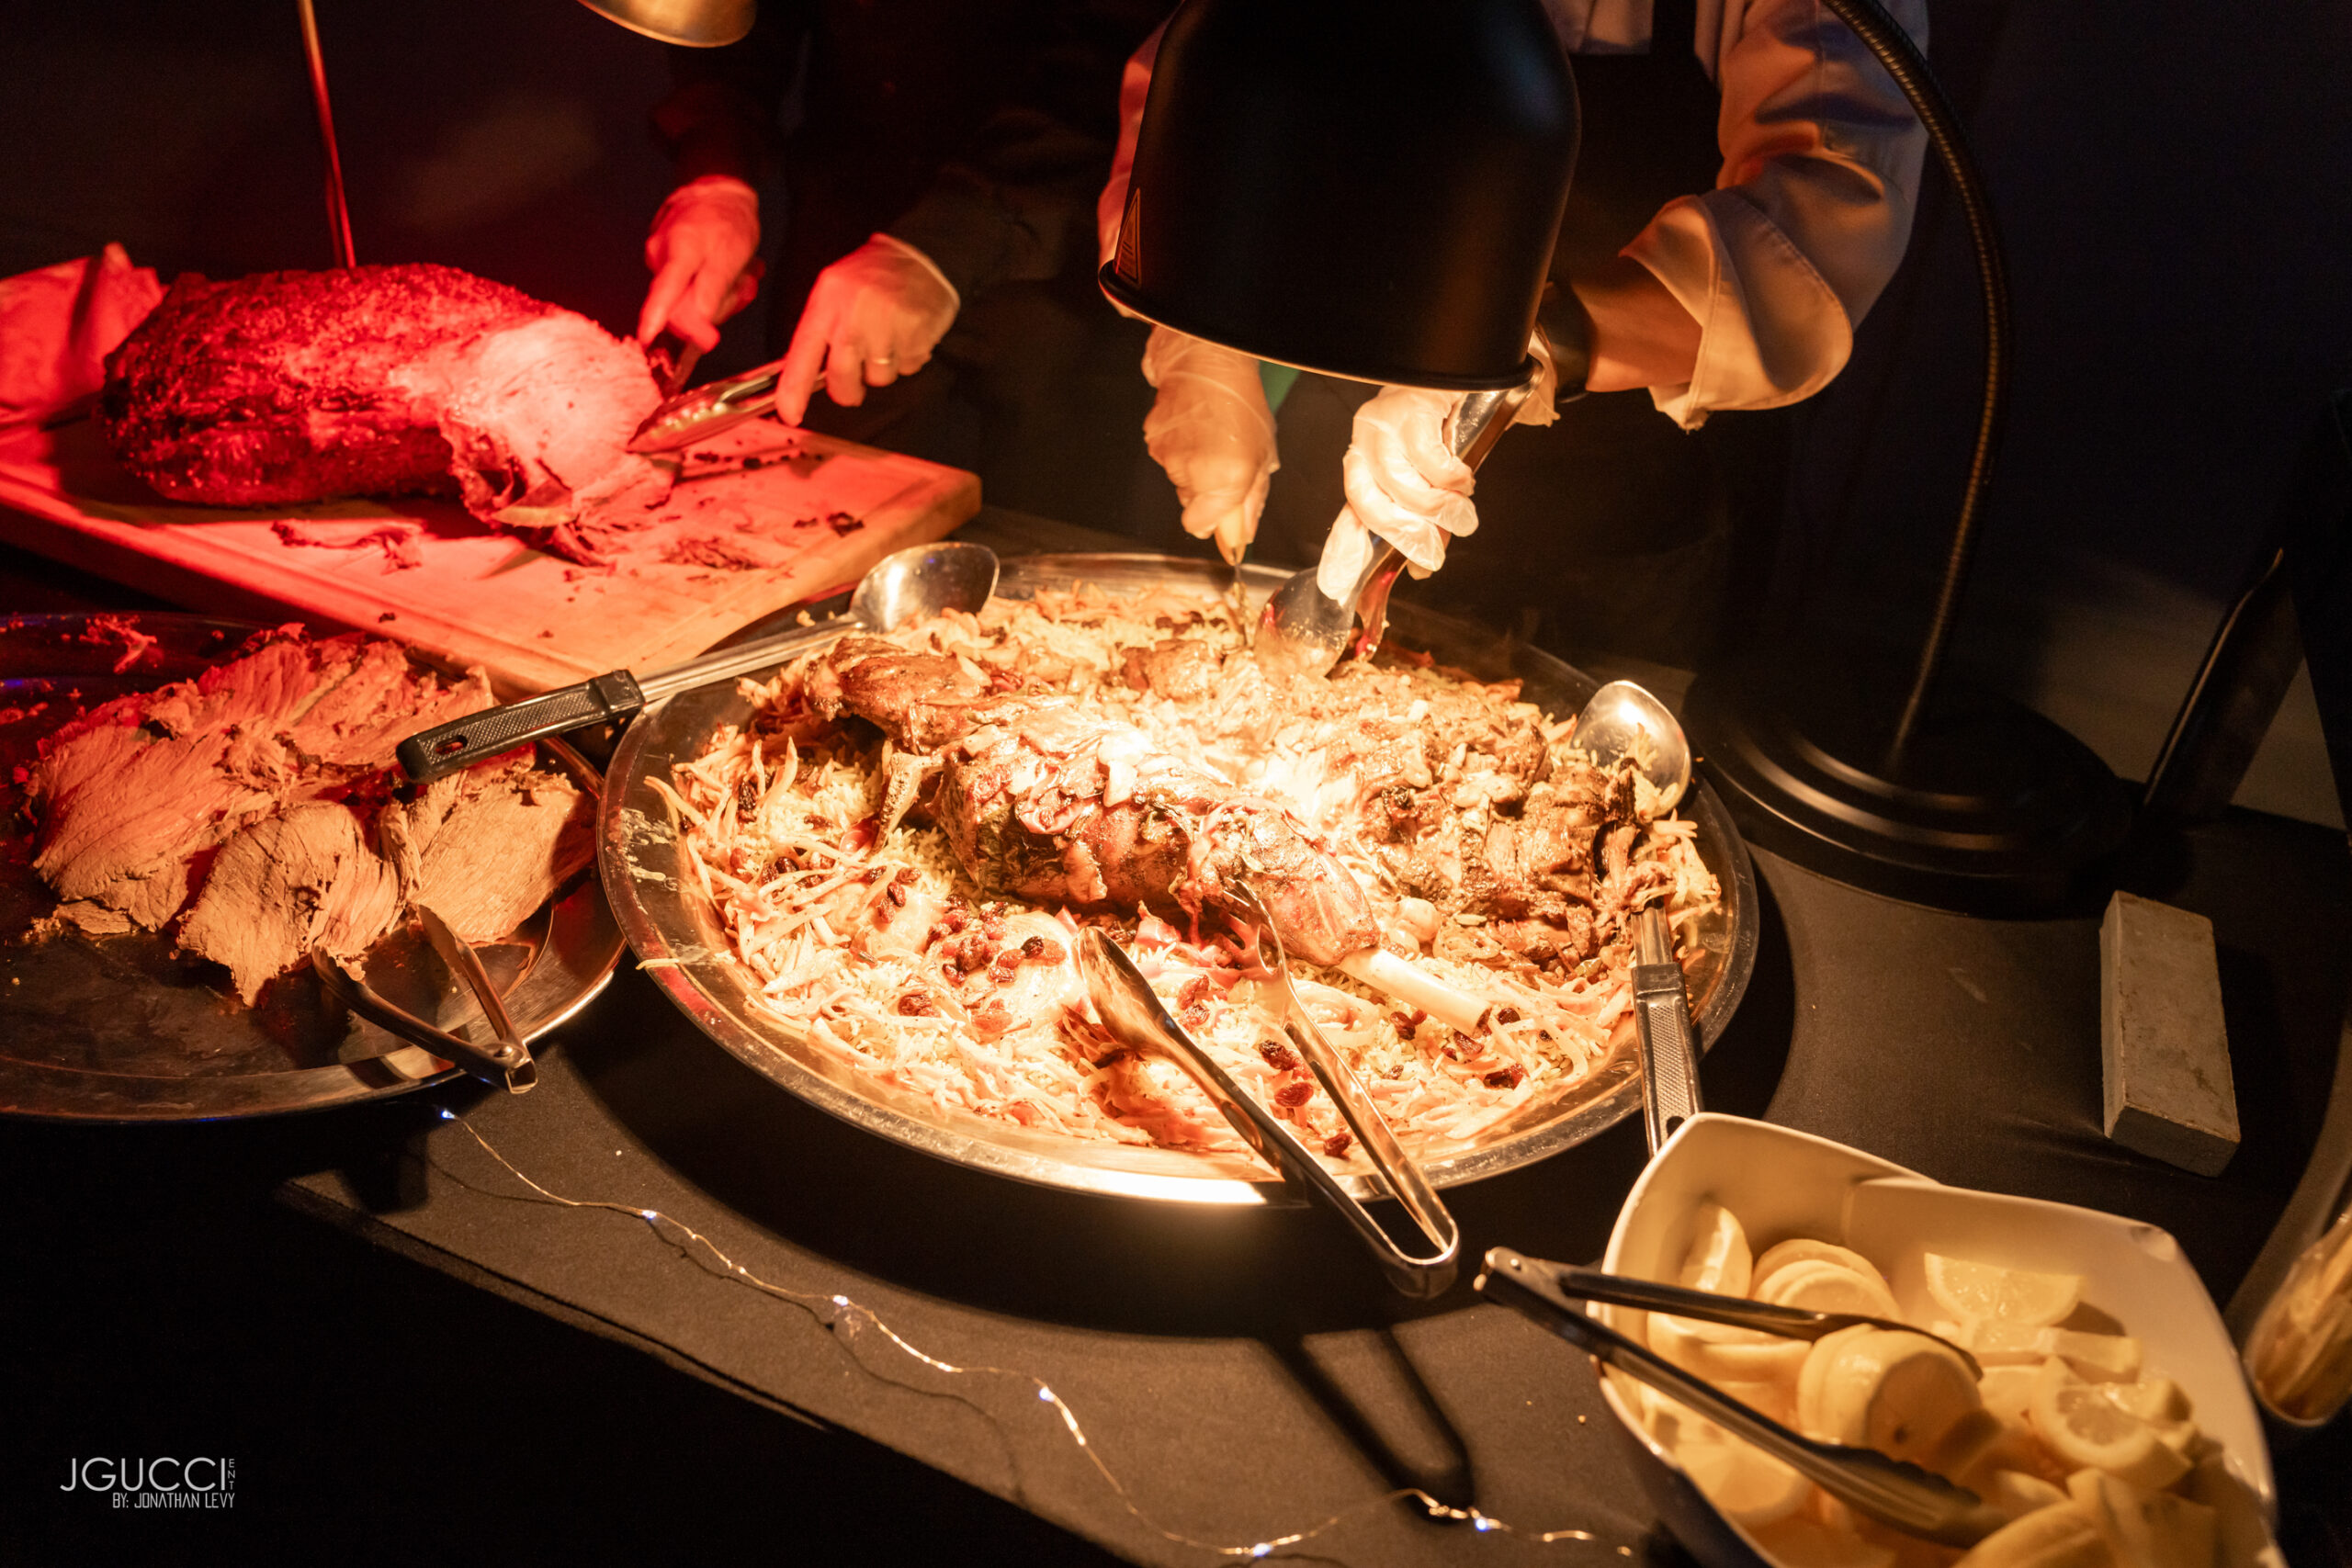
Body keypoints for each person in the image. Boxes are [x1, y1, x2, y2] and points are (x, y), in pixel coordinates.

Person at [1104, 0, 1932, 664]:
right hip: (1340, 449)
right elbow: (1209, 75)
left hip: (1622, 517)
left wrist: (1519, 353)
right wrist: (1201, 344)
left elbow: (1821, 226)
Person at [636, 1, 1173, 527]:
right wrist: (719, 170)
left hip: (1065, 245)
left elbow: (1124, 45)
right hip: (849, 220)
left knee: (1053, 539)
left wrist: (945, 241)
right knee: (807, 529)